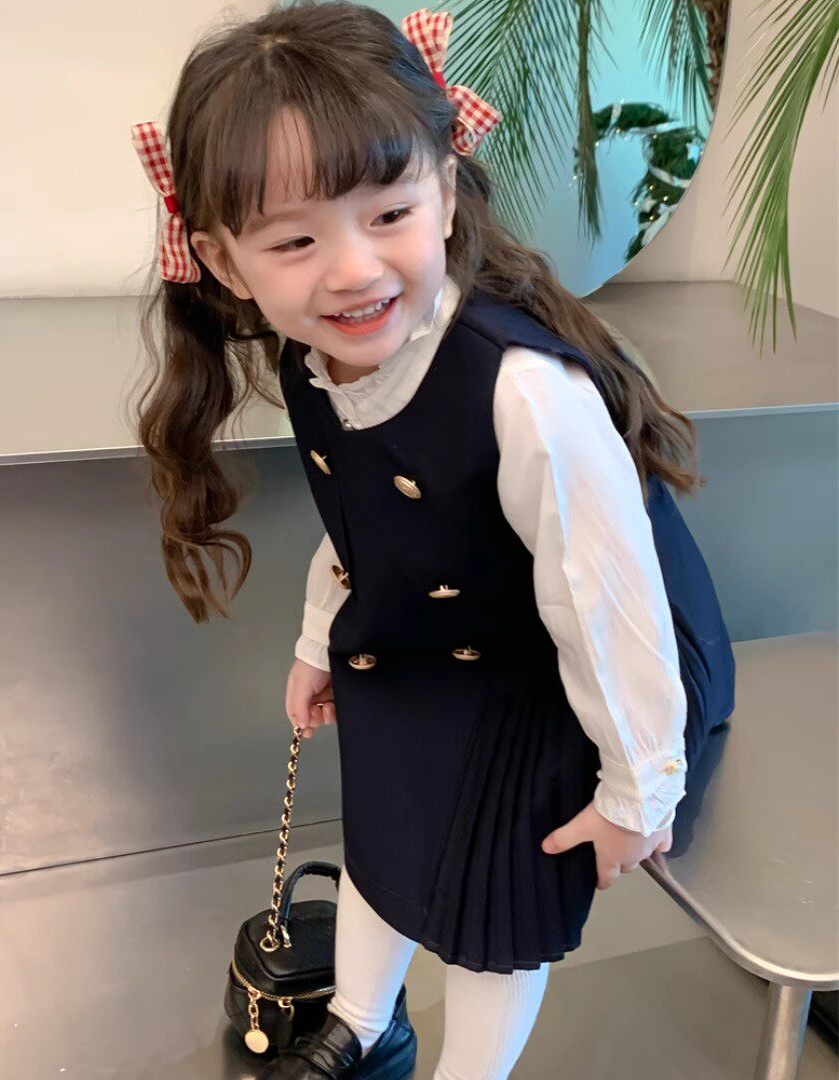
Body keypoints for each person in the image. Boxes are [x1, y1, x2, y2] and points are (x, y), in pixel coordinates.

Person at [129, 3, 736, 1077]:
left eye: (390, 213)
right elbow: (360, 525)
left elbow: (609, 599)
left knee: (499, 900)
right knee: (385, 838)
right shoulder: (318, 360)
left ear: (446, 194)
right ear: (223, 261)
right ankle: (362, 1023)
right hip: (436, 643)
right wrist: (319, 642)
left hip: (579, 673)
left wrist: (639, 791)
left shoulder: (523, 393)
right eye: (297, 240)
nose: (354, 269)